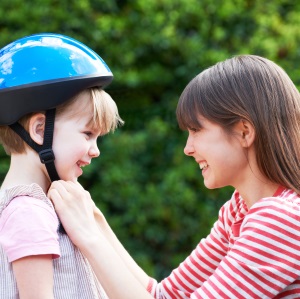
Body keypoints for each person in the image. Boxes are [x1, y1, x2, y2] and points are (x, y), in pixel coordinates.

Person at [48, 54, 300, 299]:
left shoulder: (279, 219)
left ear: (244, 132)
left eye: (196, 130)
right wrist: (94, 219)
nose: (188, 148)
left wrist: (88, 238)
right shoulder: (238, 211)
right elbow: (162, 294)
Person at [0, 33, 123, 298]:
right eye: (88, 134)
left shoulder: (42, 206)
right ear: (39, 129)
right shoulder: (28, 213)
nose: (96, 150)